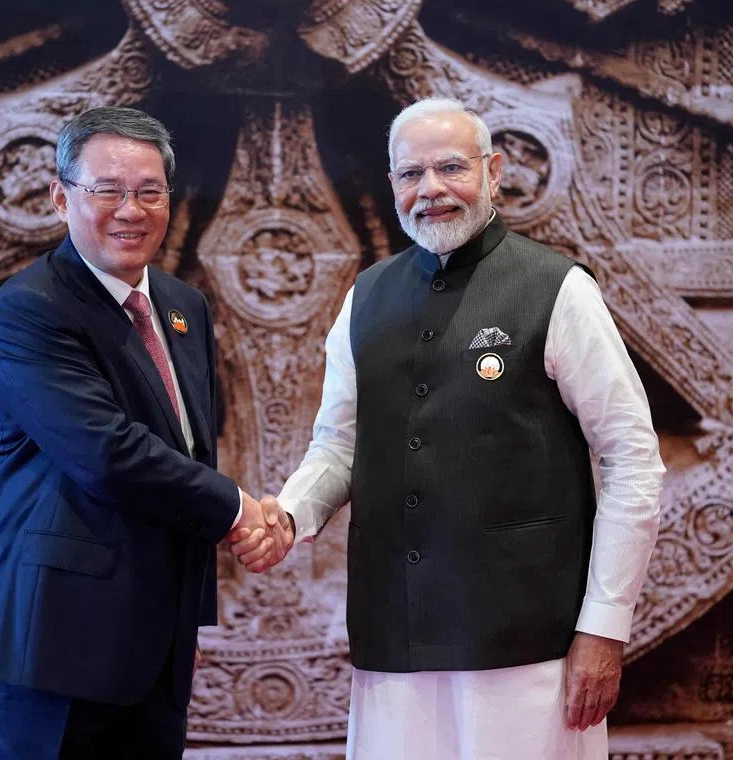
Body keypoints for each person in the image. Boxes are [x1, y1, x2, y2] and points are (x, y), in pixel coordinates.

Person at [263, 97, 666, 759]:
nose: (431, 190)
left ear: (494, 171)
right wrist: (287, 515)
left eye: (451, 167)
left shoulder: (557, 289)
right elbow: (339, 445)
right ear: (392, 184)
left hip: (530, 647)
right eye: (410, 174)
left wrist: (604, 627)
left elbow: (632, 460)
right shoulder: (365, 297)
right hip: (395, 638)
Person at [0, 106, 281, 759]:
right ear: (60, 197)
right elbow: (107, 454)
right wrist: (238, 508)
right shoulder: (31, 308)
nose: (130, 209)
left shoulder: (182, 306)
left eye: (148, 191)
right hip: (54, 644)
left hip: (157, 645)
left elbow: (186, 444)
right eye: (106, 190)